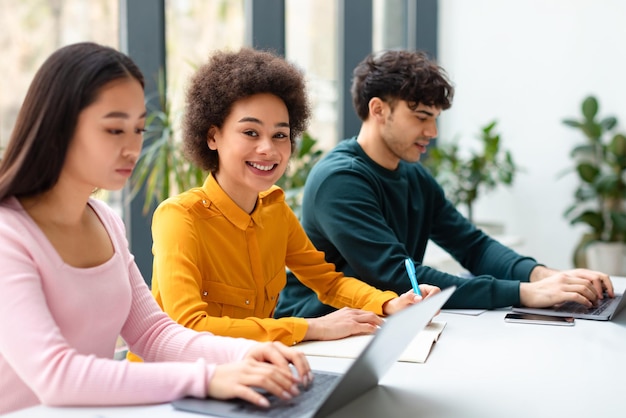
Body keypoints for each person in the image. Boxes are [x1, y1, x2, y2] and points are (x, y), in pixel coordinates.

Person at [0, 42, 313, 415]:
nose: (133, 147)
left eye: (138, 129)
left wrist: (246, 352)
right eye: (115, 130)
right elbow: (56, 376)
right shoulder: (9, 234)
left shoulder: (105, 221)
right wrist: (207, 379)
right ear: (58, 127)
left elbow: (153, 334)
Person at [275, 49, 614, 319]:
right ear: (378, 110)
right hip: (320, 331)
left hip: (385, 324)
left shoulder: (413, 174)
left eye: (435, 119)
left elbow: (472, 245)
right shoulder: (340, 179)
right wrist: (523, 293)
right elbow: (395, 277)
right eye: (421, 117)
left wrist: (542, 276)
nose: (432, 133)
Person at [139, 48, 439, 351]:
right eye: (250, 132)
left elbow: (328, 282)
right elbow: (189, 326)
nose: (268, 149)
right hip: (172, 384)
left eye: (280, 135)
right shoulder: (179, 217)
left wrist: (389, 304)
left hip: (248, 372)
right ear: (212, 136)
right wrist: (311, 327)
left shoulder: (274, 210)